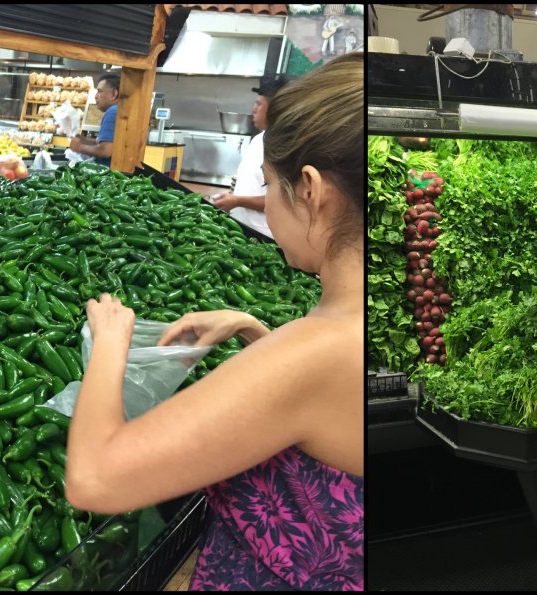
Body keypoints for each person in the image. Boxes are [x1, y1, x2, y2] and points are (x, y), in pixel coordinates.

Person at [64, 52, 364, 591]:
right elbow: (323, 405)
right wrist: (251, 327)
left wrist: (110, 341)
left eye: (271, 185)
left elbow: (93, 478)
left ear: (313, 191)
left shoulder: (317, 349)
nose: (266, 202)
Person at [211, 74, 296, 240]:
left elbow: (285, 200)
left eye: (258, 104)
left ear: (276, 108)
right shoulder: (260, 139)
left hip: (265, 237)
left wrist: (237, 201)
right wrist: (232, 197)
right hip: (241, 231)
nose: (253, 109)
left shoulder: (288, 147)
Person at [69, 72, 119, 168]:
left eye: (100, 91)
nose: (96, 96)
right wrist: (84, 141)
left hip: (109, 175)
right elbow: (105, 143)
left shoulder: (112, 112)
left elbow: (106, 150)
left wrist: (79, 147)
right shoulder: (119, 110)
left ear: (114, 94)